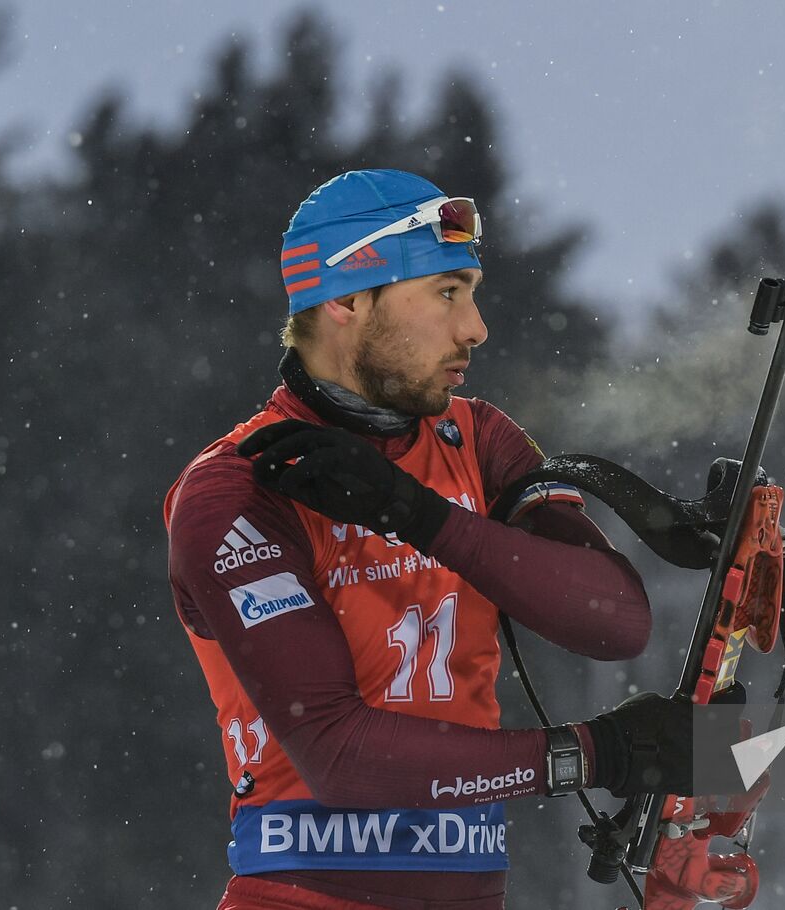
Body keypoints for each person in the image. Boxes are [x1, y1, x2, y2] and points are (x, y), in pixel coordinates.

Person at [164, 169, 694, 910]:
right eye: (447, 292)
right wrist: (587, 756)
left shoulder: (477, 440)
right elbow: (339, 760)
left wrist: (420, 516)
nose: (475, 327)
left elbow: (615, 623)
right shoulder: (233, 488)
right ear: (347, 298)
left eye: (471, 292)